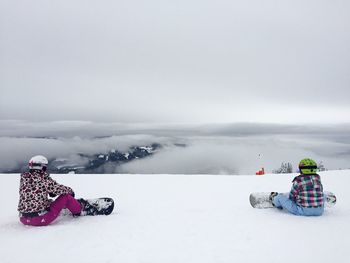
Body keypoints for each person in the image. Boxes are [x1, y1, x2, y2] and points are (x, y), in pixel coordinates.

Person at [18, 155, 90, 226]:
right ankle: (79, 210)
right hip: (41, 219)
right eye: (45, 167)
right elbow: (59, 189)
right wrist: (71, 191)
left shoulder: (24, 179)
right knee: (66, 196)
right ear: (41, 167)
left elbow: (34, 194)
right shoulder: (43, 179)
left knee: (49, 202)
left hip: (23, 218)